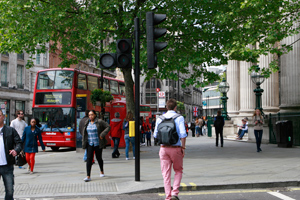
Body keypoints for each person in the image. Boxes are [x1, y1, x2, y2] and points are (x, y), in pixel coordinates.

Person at [153, 99, 187, 200]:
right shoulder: (179, 117)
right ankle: (174, 193)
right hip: (176, 148)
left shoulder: (160, 118)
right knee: (178, 171)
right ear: (175, 107)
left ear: (166, 107)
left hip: (163, 149)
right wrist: (183, 147)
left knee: (166, 174)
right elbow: (183, 134)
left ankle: (168, 197)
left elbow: (155, 134)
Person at [0, 109, 22, 200]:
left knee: (9, 190)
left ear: (3, 117)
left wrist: (16, 150)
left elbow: (19, 143)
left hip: (7, 166)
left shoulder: (10, 130)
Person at [82, 110, 110, 182]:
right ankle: (88, 176)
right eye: (89, 115)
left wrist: (102, 134)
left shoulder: (99, 121)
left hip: (98, 143)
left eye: (92, 115)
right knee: (89, 159)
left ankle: (101, 171)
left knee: (99, 158)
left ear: (95, 115)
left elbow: (108, 126)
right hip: (89, 143)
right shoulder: (87, 122)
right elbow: (85, 132)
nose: (90, 116)